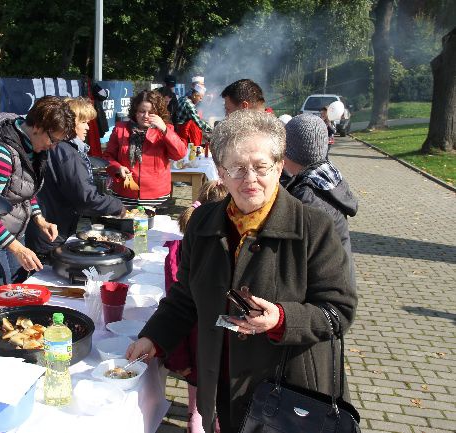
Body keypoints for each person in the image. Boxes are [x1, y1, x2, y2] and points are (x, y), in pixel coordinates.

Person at [126, 110, 357, 433]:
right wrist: (153, 337)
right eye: (236, 168)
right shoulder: (203, 224)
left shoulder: (314, 227)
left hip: (289, 396)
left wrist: (281, 319)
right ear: (219, 171)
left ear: (278, 166)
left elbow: (338, 311)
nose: (249, 178)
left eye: (261, 166)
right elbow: (184, 297)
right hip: (221, 382)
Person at [0, 96, 75, 312]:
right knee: (1, 310)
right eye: (53, 139)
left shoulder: (30, 147)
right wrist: (18, 249)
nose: (53, 146)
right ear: (38, 127)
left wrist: (39, 219)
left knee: (18, 303)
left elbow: (24, 190)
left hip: (11, 239)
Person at [164, 180, 227, 433]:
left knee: (197, 411)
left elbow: (173, 305)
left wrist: (177, 356)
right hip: (219, 352)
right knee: (218, 412)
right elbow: (176, 304)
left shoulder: (177, 250)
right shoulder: (224, 253)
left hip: (194, 350)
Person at [25, 97, 125, 257]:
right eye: (84, 122)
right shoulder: (66, 151)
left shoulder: (63, 148)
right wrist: (116, 205)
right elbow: (84, 197)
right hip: (51, 228)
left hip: (50, 224)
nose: (87, 128)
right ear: (70, 124)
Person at [280, 113, 358, 284]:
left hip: (326, 289)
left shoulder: (307, 198)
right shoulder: (326, 178)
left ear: (290, 151)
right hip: (339, 278)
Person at [104, 90, 187, 208]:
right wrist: (117, 168)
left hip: (156, 195)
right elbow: (107, 157)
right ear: (135, 112)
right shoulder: (120, 129)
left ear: (158, 113)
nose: (146, 116)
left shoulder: (165, 130)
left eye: (151, 112)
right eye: (142, 111)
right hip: (125, 191)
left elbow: (180, 154)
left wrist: (164, 130)